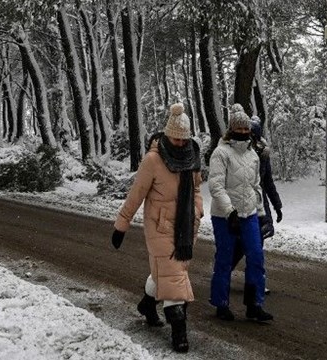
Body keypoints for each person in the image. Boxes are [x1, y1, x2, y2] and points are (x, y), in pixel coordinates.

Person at [111, 103, 203, 353]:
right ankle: (179, 332)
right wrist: (122, 224)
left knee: (167, 272)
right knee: (174, 277)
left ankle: (147, 304)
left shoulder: (192, 155)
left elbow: (196, 190)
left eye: (184, 139)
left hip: (185, 228)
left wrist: (197, 211)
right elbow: (136, 194)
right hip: (159, 226)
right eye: (176, 138)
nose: (181, 144)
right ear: (167, 134)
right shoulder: (153, 160)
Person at [208, 104, 273, 322]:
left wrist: (261, 212)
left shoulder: (252, 155)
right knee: (225, 259)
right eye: (240, 129)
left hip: (250, 214)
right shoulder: (221, 153)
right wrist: (229, 211)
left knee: (256, 256)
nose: (244, 133)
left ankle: (254, 304)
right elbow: (216, 186)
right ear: (231, 130)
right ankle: (221, 303)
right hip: (224, 216)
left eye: (247, 129)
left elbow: (256, 186)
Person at [231, 116, 282, 290]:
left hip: (259, 204)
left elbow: (267, 182)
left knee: (256, 245)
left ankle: (254, 282)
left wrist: (277, 205)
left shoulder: (263, 153)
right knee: (239, 244)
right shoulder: (235, 151)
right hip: (240, 204)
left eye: (253, 134)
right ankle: (224, 271)